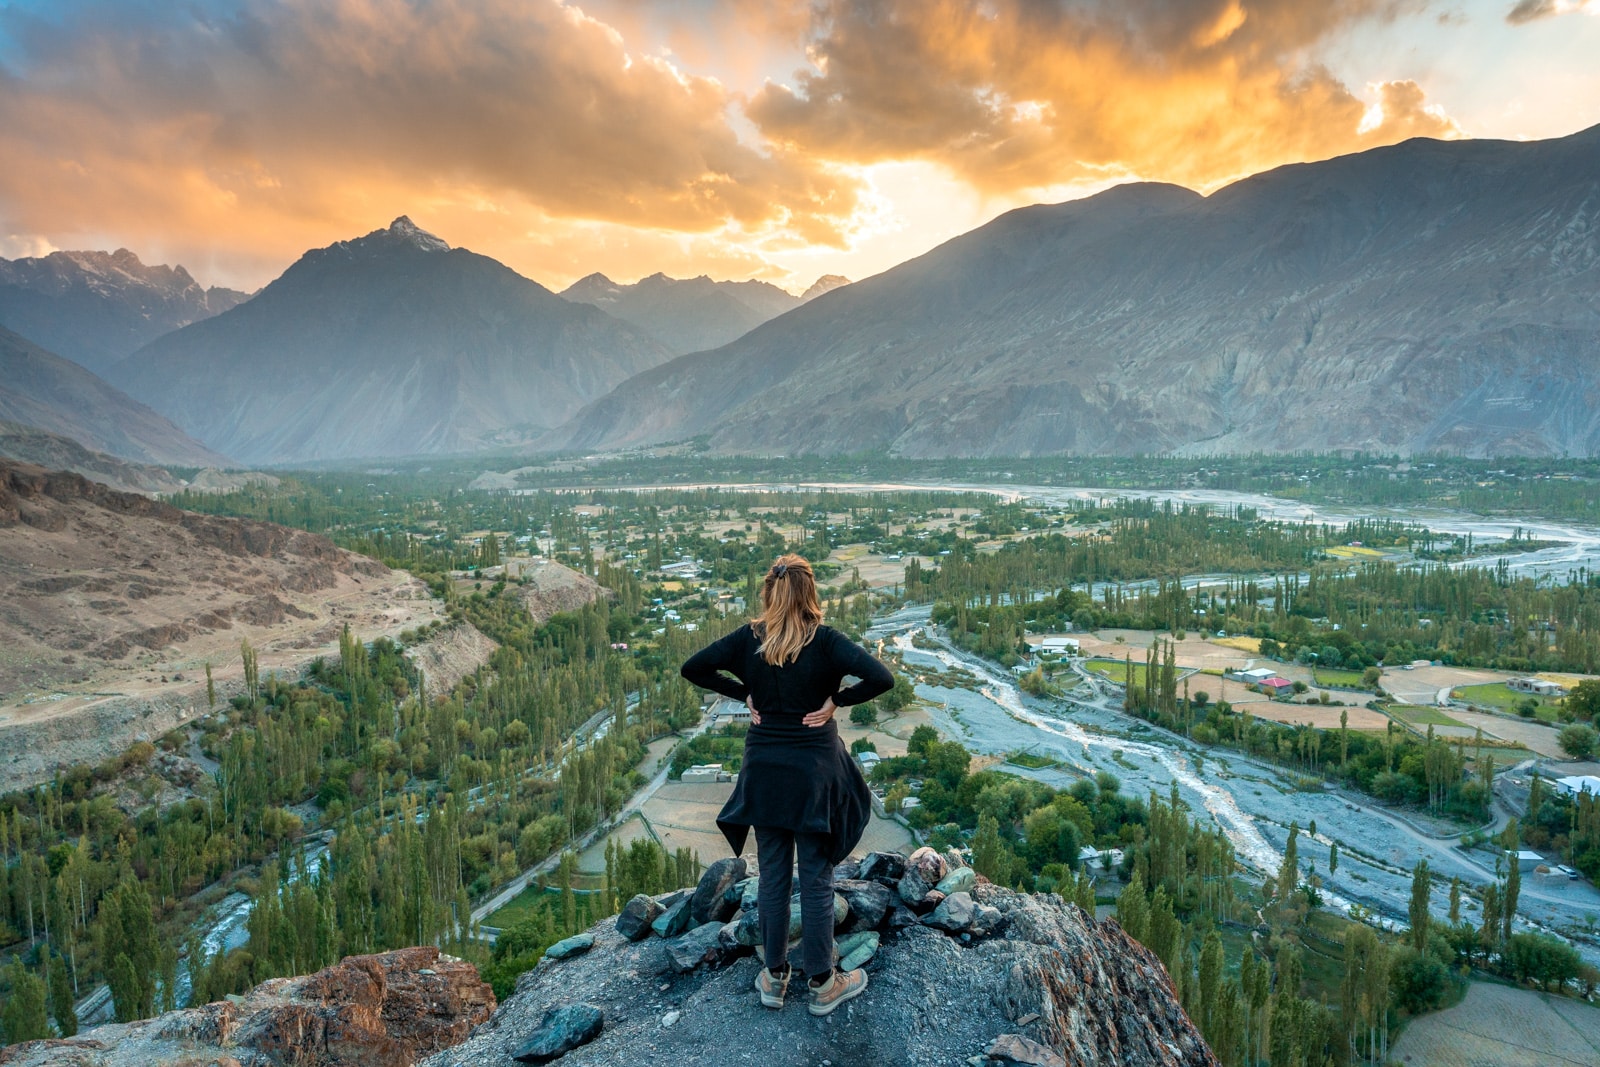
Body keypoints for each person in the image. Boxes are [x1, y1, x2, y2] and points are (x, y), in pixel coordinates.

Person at [680, 554, 894, 1016]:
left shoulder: (748, 639)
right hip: (812, 777)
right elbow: (881, 677)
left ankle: (774, 978)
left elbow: (693, 668)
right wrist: (838, 700)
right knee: (816, 879)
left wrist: (745, 694)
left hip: (765, 774)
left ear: (770, 592)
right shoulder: (827, 642)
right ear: (810, 592)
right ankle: (822, 984)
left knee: (774, 876)